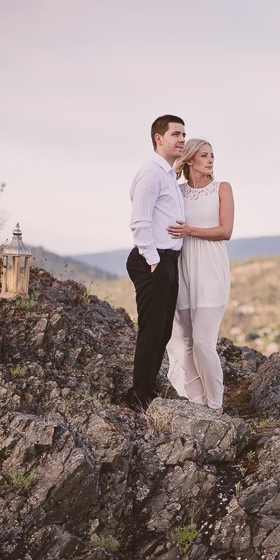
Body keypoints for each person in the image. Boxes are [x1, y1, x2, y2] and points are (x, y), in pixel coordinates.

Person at [165, 138, 234, 412]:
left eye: (212, 155)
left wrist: (190, 230)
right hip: (183, 270)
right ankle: (197, 403)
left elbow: (225, 231)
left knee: (204, 341)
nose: (210, 160)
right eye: (204, 155)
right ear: (191, 159)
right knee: (184, 342)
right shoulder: (177, 191)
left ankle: (216, 406)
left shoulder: (222, 189)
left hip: (211, 271)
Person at [126, 114, 186, 411]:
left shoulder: (169, 176)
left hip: (168, 260)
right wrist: (153, 261)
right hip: (154, 259)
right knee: (152, 329)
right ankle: (139, 396)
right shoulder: (151, 172)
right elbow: (139, 221)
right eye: (175, 134)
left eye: (183, 135)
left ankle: (145, 387)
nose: (181, 139)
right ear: (158, 138)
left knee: (162, 331)